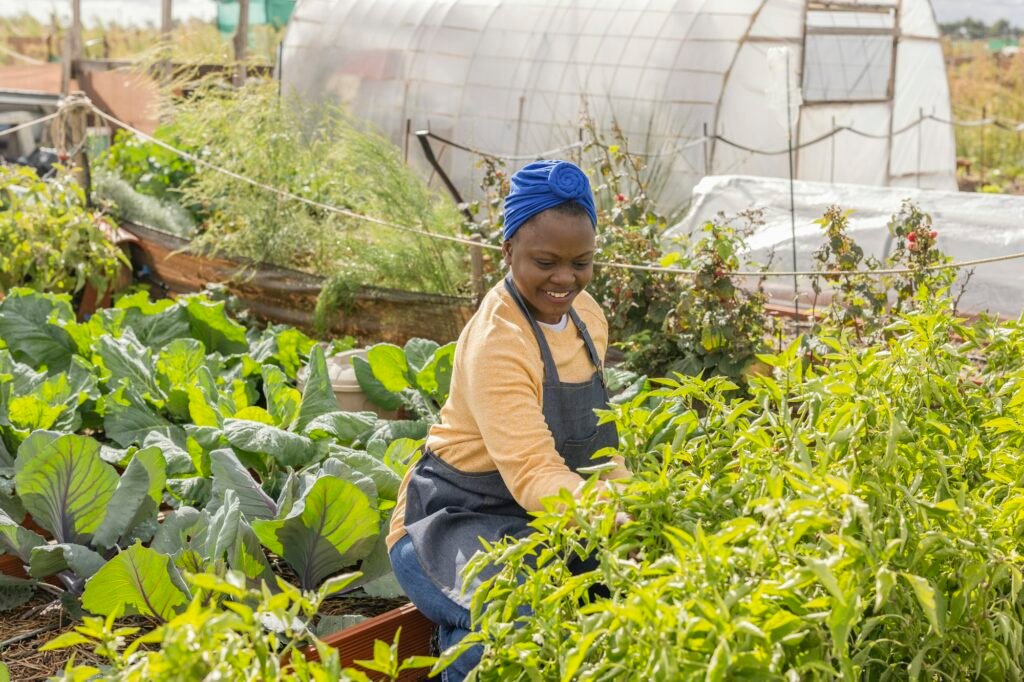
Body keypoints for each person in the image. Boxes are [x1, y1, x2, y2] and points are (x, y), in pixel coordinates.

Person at [386, 160, 631, 681]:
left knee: (616, 597)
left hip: (542, 518)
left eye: (581, 262)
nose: (565, 279)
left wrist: (636, 506)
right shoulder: (500, 341)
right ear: (508, 251)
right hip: (450, 521)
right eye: (545, 261)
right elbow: (534, 474)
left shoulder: (588, 318)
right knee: (510, 613)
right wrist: (609, 514)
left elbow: (600, 449)